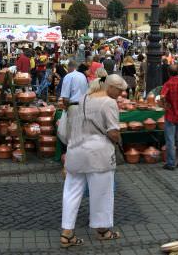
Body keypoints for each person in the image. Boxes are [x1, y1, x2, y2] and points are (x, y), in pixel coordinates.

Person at [59, 74, 126, 247]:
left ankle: (67, 234)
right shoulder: (109, 103)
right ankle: (103, 231)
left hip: (75, 150)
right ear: (110, 87)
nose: (120, 95)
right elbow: (112, 131)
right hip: (98, 154)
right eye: (119, 91)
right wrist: (118, 139)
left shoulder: (83, 98)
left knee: (71, 193)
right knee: (101, 193)